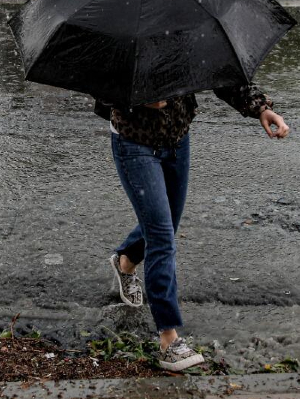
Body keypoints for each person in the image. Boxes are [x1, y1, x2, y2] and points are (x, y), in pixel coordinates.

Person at [95, 85, 289, 372]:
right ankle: (168, 339)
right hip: (134, 143)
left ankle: (126, 260)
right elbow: (100, 84)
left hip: (177, 141)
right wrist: (137, 98)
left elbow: (219, 71)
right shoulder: (122, 41)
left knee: (167, 224)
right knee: (162, 238)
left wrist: (261, 109)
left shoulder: (181, 40)